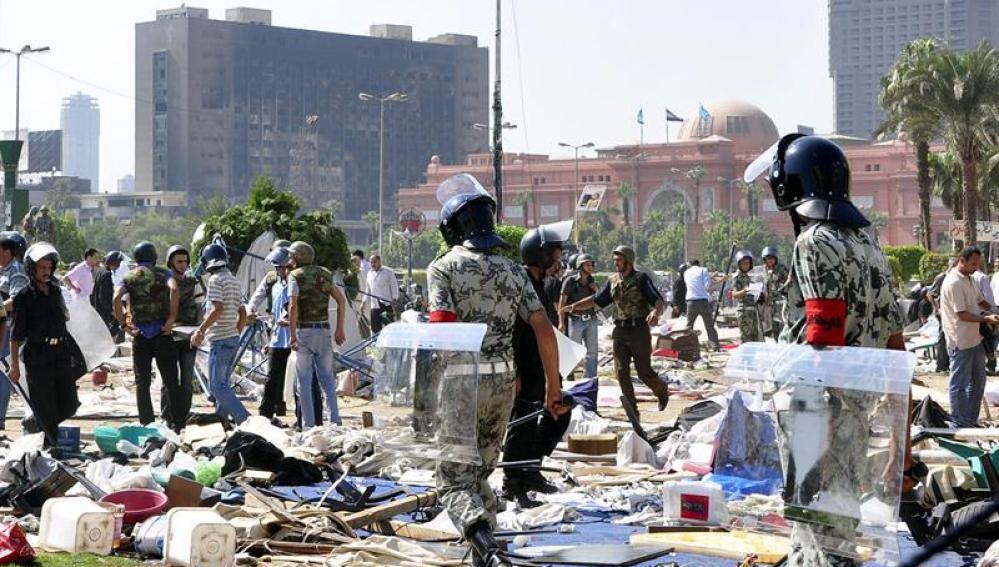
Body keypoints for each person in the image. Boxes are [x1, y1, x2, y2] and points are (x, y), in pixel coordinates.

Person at [761, 133, 907, 567]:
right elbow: (896, 349)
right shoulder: (869, 246)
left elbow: (822, 343)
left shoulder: (813, 242)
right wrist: (902, 444)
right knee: (841, 526)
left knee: (811, 527)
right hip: (856, 414)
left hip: (815, 410)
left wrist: (813, 450)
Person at [428, 173, 560, 567]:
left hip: (460, 382)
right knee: (482, 469)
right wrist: (554, 388)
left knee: (453, 477)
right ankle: (485, 546)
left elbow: (442, 327)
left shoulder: (443, 269)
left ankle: (486, 546)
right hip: (504, 382)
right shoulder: (514, 271)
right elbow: (543, 328)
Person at [504, 222, 573, 507]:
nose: (559, 262)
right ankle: (512, 482)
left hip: (540, 367)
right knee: (522, 424)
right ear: (541, 256)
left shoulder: (542, 286)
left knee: (559, 412)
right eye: (555, 256)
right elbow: (513, 332)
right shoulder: (522, 283)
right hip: (524, 367)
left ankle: (531, 468)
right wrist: (516, 372)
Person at [562, 245, 670, 414]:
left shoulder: (641, 279)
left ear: (628, 261)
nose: (616, 263)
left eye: (619, 260)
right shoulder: (612, 281)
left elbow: (658, 300)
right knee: (621, 372)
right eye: (615, 260)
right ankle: (632, 410)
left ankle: (661, 390)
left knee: (644, 372)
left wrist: (656, 313)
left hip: (638, 331)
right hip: (620, 331)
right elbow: (597, 300)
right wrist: (573, 306)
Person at [10, 243, 84, 449]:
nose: (46, 271)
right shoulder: (24, 297)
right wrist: (14, 367)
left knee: (70, 404)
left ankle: (38, 423)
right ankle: (50, 447)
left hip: (60, 354)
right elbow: (16, 336)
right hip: (38, 358)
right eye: (41, 267)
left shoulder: (56, 292)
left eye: (49, 267)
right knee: (47, 407)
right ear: (31, 269)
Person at [115, 242, 185, 431]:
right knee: (171, 380)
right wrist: (171, 319)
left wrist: (124, 325)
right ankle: (177, 423)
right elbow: (174, 289)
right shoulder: (164, 273)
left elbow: (116, 298)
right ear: (154, 257)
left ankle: (146, 423)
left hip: (140, 336)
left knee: (142, 383)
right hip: (163, 333)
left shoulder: (129, 277)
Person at [287, 240, 347, 427]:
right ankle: (335, 422)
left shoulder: (295, 276)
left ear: (297, 257)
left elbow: (293, 306)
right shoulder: (325, 274)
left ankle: (309, 425)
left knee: (303, 382)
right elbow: (341, 300)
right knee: (328, 380)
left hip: (304, 332)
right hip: (324, 331)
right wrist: (339, 328)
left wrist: (292, 335)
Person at [190, 243, 250, 426]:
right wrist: (236, 332)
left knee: (216, 386)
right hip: (232, 337)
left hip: (220, 340)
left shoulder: (215, 280)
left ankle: (244, 419)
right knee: (224, 383)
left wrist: (200, 330)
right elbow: (243, 313)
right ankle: (221, 420)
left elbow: (217, 309)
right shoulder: (232, 279)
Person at [940, 247, 999, 427]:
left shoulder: (970, 279)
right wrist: (986, 318)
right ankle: (959, 421)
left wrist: (994, 310)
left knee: (978, 382)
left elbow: (980, 301)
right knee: (959, 384)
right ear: (962, 260)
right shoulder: (953, 282)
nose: (975, 267)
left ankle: (970, 420)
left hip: (975, 339)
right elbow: (962, 314)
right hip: (960, 340)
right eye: (972, 263)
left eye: (977, 264)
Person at [247, 246, 294, 420]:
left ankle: (299, 416)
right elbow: (257, 297)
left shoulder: (298, 282)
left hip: (295, 338)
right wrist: (250, 310)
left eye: (282, 267)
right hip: (277, 336)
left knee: (294, 379)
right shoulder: (274, 283)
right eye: (277, 268)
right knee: (272, 376)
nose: (280, 271)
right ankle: (265, 414)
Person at [162, 245, 201, 430]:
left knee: (186, 381)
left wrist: (200, 330)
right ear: (170, 262)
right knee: (168, 381)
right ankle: (167, 418)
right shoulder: (164, 282)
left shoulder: (193, 282)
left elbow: (201, 308)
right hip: (168, 338)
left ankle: (182, 419)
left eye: (185, 261)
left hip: (188, 337)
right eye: (179, 261)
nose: (183, 265)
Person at [0, 232, 28, 429]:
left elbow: (17, 300)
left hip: (7, 329)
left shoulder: (16, 271)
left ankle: (0, 418)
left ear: (7, 252)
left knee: (2, 373)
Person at [559, 254, 599, 380]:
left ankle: (590, 379)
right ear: (580, 265)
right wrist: (562, 323)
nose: (591, 267)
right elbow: (562, 303)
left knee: (592, 351)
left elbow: (598, 300)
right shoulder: (570, 281)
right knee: (574, 351)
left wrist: (596, 290)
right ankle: (569, 376)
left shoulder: (591, 281)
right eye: (587, 264)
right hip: (575, 320)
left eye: (591, 264)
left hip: (591, 319)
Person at [683, 259, 721, 350]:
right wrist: (720, 280)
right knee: (709, 326)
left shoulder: (686, 273)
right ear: (699, 264)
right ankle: (715, 347)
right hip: (703, 301)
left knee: (689, 326)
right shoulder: (703, 270)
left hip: (691, 302)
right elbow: (707, 286)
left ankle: (686, 346)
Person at [731, 250, 763, 343]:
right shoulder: (737, 277)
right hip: (744, 311)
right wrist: (745, 291)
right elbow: (734, 294)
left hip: (754, 311)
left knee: (755, 338)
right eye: (743, 263)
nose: (746, 265)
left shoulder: (753, 275)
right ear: (739, 264)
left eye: (748, 263)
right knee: (746, 338)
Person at [93, 251, 124, 341]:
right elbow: (104, 298)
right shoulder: (106, 275)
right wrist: (112, 312)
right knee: (113, 331)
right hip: (105, 313)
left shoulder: (98, 272)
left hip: (97, 310)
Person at [972, 264, 998, 375]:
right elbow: (988, 296)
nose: (996, 264)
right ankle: (990, 365)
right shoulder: (982, 277)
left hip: (974, 313)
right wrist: (991, 312)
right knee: (988, 338)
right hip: (984, 313)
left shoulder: (967, 278)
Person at [761, 246, 790, 340]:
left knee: (783, 327)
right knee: (774, 329)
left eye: (772, 258)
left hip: (781, 303)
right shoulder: (764, 271)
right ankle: (778, 346)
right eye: (768, 258)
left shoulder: (781, 269)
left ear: (775, 258)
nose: (770, 260)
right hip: (770, 305)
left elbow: (790, 282)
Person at [366, 255, 398, 333]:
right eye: (371, 262)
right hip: (374, 305)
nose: (373, 264)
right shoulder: (369, 274)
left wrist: (394, 298)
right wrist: (363, 302)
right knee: (375, 328)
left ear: (379, 261)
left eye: (374, 262)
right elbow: (367, 289)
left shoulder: (388, 272)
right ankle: (376, 343)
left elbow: (394, 286)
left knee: (389, 327)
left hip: (386, 304)